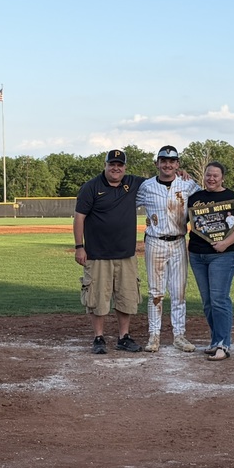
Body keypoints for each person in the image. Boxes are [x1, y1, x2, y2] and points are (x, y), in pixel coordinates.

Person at [74, 149, 146, 354]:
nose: (116, 168)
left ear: (125, 167)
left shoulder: (133, 183)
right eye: (112, 164)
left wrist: (181, 173)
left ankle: (124, 337)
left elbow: (161, 179)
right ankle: (98, 337)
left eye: (120, 165)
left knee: (127, 296)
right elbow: (79, 217)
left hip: (126, 254)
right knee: (97, 297)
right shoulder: (91, 187)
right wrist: (80, 247)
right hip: (97, 254)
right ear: (105, 165)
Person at [187, 161, 234, 361]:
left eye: (216, 175)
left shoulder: (231, 197)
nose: (211, 179)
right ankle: (216, 340)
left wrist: (226, 243)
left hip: (223, 255)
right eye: (208, 175)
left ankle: (223, 344)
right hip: (197, 254)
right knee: (208, 302)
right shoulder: (195, 198)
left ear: (222, 177)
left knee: (219, 299)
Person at [136, 145, 200, 353]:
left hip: (179, 241)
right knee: (155, 292)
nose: (167, 165)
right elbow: (129, 204)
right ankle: (154, 335)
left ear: (178, 164)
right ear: (157, 163)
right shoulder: (146, 186)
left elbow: (205, 201)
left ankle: (178, 335)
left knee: (178, 292)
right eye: (163, 161)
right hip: (155, 241)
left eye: (172, 161)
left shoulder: (187, 184)